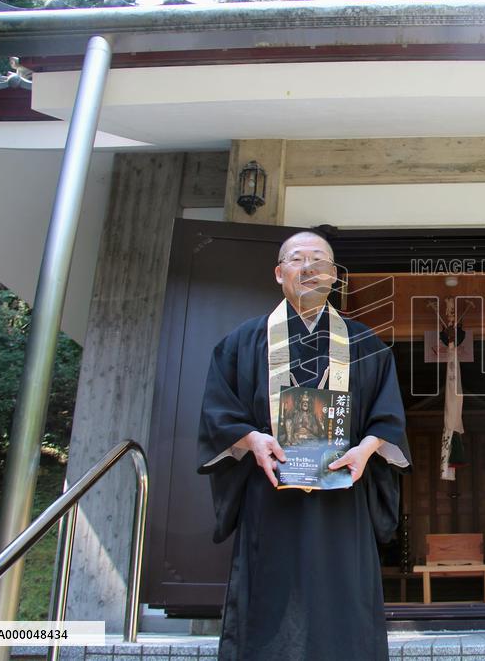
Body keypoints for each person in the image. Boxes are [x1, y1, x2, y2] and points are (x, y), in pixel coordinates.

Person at [196, 231, 411, 661]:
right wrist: (253, 440)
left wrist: (365, 450)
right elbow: (219, 413)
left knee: (343, 598)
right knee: (270, 600)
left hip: (342, 497)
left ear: (334, 275)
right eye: (297, 259)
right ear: (280, 273)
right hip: (270, 492)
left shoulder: (368, 346)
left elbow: (387, 419)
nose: (309, 268)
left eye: (320, 261)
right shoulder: (242, 343)